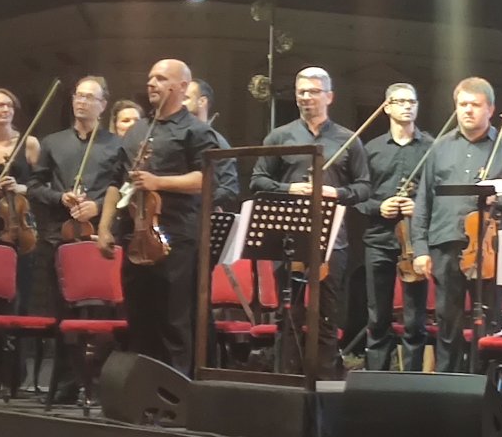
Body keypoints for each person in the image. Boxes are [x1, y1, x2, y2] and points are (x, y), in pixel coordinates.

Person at [97, 59, 219, 375]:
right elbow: (115, 182)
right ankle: (142, 390)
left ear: (181, 87)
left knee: (173, 321)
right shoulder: (137, 131)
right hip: (135, 235)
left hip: (176, 238)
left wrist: (158, 182)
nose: (151, 83)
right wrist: (105, 227)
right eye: (150, 77)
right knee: (139, 318)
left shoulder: (196, 130)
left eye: (161, 78)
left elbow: (206, 180)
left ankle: (175, 391)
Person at [250, 66, 371, 380]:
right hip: (288, 238)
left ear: (329, 96)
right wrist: (290, 188)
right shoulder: (280, 136)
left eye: (314, 91)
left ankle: (325, 383)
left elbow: (364, 187)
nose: (306, 97)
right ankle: (286, 380)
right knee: (288, 314)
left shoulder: (347, 139)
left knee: (326, 316)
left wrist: (336, 193)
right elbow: (258, 180)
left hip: (332, 240)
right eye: (301, 91)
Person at [410, 77, 502, 373]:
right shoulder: (439, 147)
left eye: (475, 105)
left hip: (488, 250)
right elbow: (424, 200)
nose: (467, 110)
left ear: (490, 109)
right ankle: (447, 388)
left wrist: (498, 199)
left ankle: (483, 387)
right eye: (462, 104)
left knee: (489, 325)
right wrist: (420, 249)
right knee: (447, 324)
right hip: (446, 244)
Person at [28, 76, 123, 402]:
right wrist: (60, 198)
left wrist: (97, 205)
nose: (81, 102)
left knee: (101, 315)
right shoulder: (52, 142)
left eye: (89, 97)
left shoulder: (116, 145)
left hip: (98, 237)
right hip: (60, 237)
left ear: (103, 104)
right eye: (78, 96)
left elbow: (123, 188)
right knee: (63, 315)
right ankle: (67, 383)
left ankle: (99, 383)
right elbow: (35, 188)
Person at [355, 83, 432, 372]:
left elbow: (437, 194)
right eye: (400, 101)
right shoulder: (371, 149)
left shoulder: (431, 148)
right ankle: (376, 381)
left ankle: (411, 382)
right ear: (386, 107)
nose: (407, 106)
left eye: (412, 101)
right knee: (378, 317)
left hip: (415, 243)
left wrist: (418, 207)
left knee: (414, 320)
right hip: (379, 239)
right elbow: (358, 196)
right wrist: (379, 207)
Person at [0, 88, 41, 303]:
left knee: (21, 285)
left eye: (9, 105)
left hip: (19, 224)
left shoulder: (29, 144)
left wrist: (20, 188)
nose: (6, 109)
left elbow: (42, 186)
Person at [183, 78, 239, 210]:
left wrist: (195, 201)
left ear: (202, 101)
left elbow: (229, 189)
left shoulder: (218, 142)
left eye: (185, 98)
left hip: (195, 216)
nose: (180, 103)